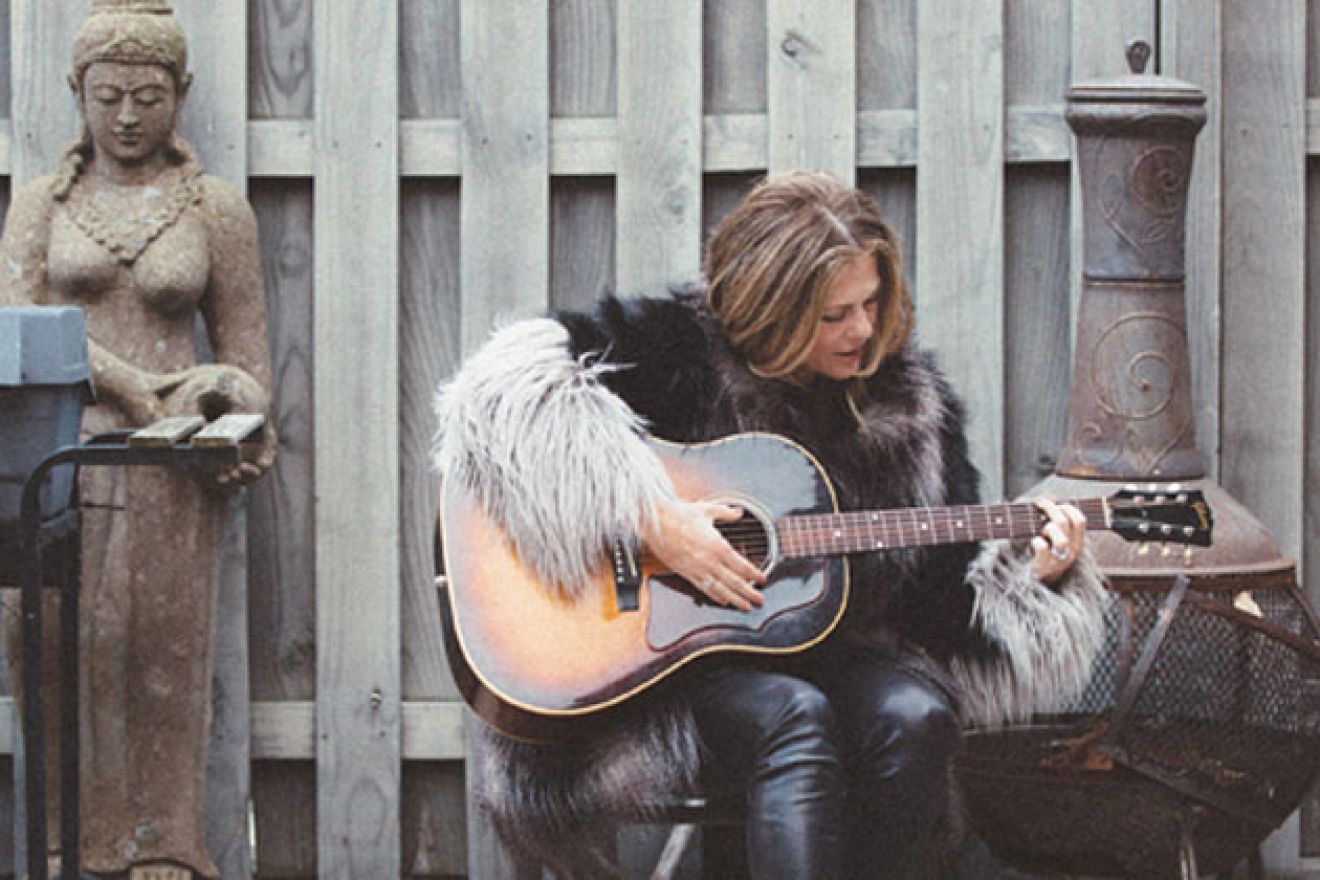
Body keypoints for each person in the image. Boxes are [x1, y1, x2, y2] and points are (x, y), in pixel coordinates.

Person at [434, 170, 1108, 878]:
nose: (865, 330)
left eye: (872, 301)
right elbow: (506, 391)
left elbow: (938, 599)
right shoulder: (674, 348)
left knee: (915, 716)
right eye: (833, 314)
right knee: (794, 714)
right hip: (659, 668)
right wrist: (649, 516)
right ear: (771, 307)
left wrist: (1036, 576)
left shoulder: (912, 411)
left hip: (830, 654)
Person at [0, 1, 275, 877]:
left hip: (169, 470)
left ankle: (165, 846)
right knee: (58, 655)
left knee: (162, 661)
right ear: (79, 92)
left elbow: (247, 361)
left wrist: (225, 397)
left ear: (180, 94)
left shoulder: (214, 210)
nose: (126, 117)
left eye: (148, 97)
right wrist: (135, 385)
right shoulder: (42, 205)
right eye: (110, 95)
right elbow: (16, 332)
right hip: (55, 457)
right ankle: (63, 841)